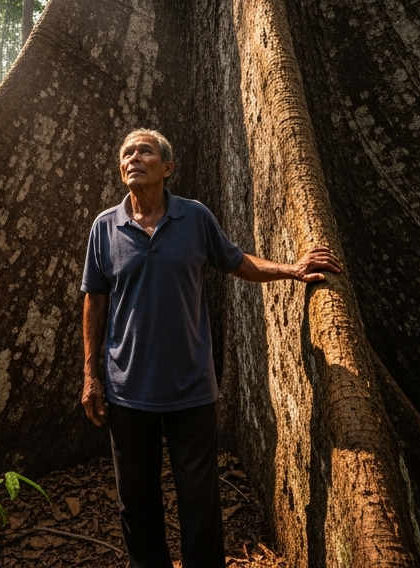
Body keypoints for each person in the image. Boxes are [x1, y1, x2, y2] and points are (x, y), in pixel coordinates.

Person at [80, 128, 341, 568]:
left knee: (200, 504)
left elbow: (238, 262)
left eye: (144, 151)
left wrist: (292, 269)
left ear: (167, 168)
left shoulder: (195, 218)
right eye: (127, 152)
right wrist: (90, 375)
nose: (133, 158)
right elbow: (95, 297)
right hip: (127, 392)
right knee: (137, 505)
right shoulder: (105, 227)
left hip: (192, 391)